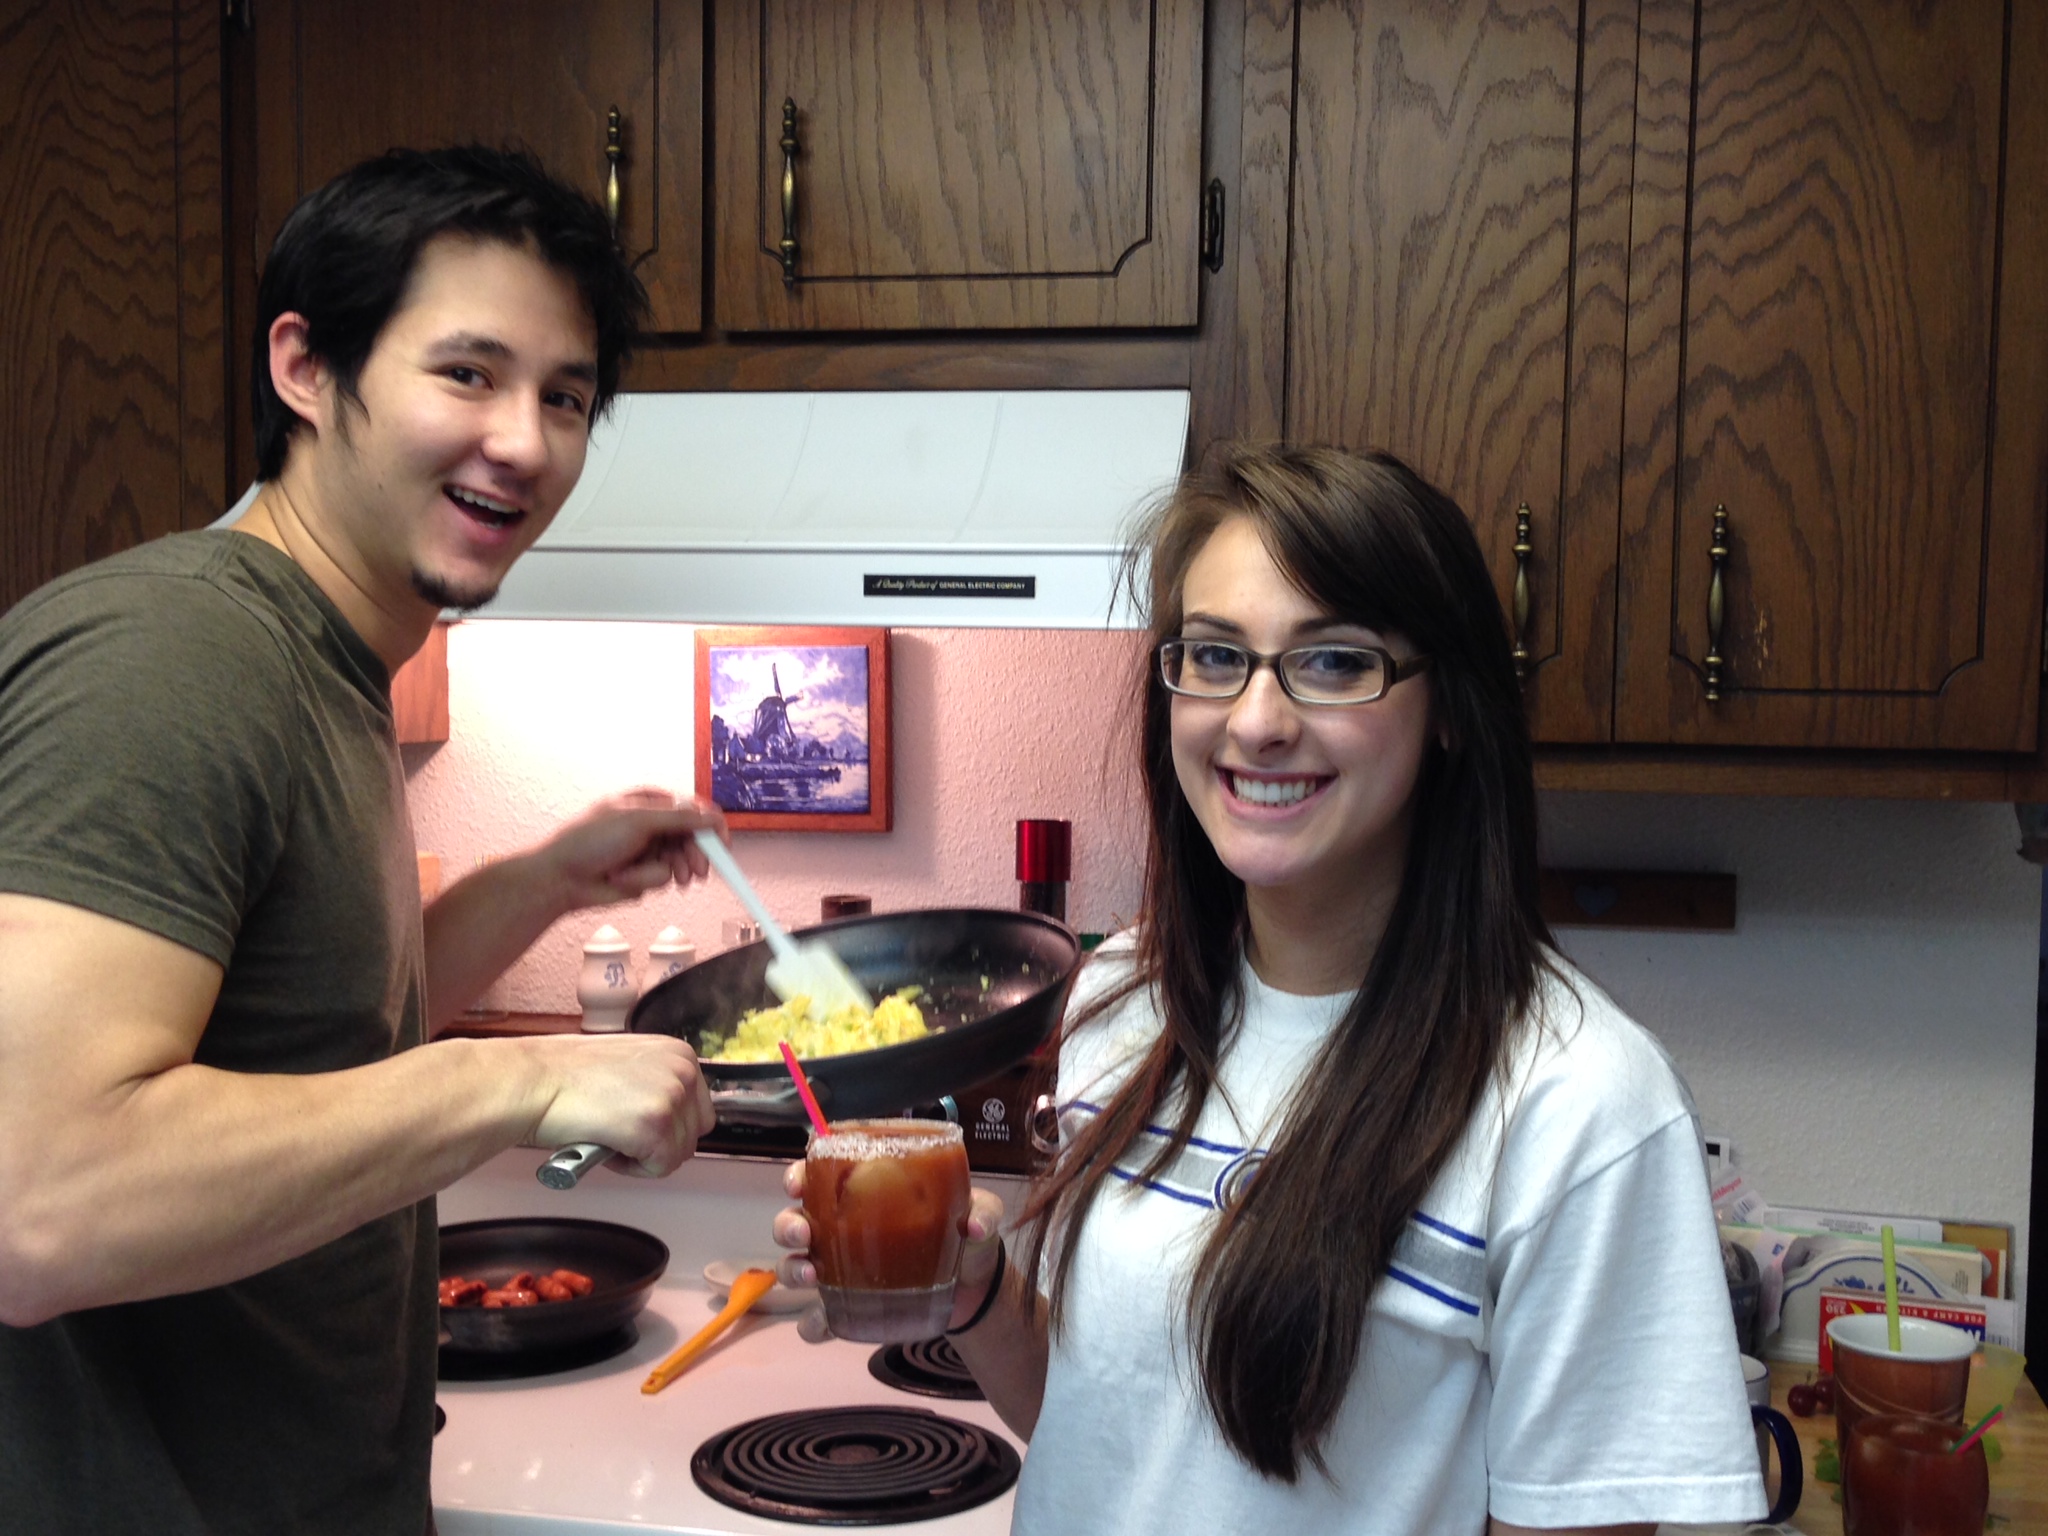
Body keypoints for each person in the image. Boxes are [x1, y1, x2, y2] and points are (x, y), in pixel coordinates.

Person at [774, 444, 1767, 1533]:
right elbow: (1098, 1430)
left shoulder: (1578, 1105)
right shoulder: (1120, 1001)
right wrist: (973, 1295)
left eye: (1333, 662)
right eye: (1212, 656)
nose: (1254, 721)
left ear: (1446, 708)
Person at [0, 147, 724, 1535]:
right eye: (467, 373)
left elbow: (317, 1030)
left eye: (565, 397)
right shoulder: (176, 659)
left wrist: (545, 881)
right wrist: (514, 1089)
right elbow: (40, 1200)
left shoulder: (326, 669)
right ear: (307, 369)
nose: (524, 439)